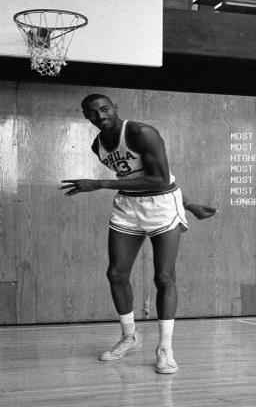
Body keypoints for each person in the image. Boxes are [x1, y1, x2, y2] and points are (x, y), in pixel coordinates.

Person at [60, 94, 216, 374]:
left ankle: (165, 348)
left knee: (164, 277)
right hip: (128, 206)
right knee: (116, 274)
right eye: (92, 113)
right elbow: (137, 177)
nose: (100, 116)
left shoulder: (141, 132)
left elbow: (160, 180)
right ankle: (129, 336)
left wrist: (98, 184)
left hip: (161, 206)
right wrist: (191, 204)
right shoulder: (98, 146)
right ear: (85, 116)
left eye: (105, 109)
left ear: (115, 108)